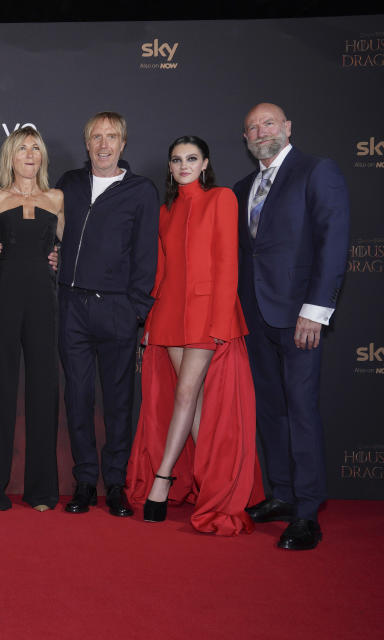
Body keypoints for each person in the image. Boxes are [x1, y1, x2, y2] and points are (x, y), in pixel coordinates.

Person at [125, 136, 264, 535]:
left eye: (191, 159)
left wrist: (221, 321)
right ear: (169, 167)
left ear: (205, 163)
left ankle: (162, 479)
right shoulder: (166, 211)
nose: (183, 165)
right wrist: (150, 319)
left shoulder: (221, 199)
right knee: (195, 404)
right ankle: (218, 485)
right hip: (169, 313)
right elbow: (161, 271)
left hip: (206, 315)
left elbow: (227, 262)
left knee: (186, 395)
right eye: (176, 160)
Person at [235, 103, 349, 550]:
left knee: (301, 410)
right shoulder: (244, 186)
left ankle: (307, 512)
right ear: (244, 139)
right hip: (255, 317)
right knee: (271, 410)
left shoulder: (317, 171)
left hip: (300, 317)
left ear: (287, 128)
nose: (260, 131)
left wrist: (316, 310)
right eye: (251, 127)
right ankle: (280, 493)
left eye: (268, 123)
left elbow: (334, 242)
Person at [56, 111, 159, 518]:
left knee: (118, 402)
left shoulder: (141, 191)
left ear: (123, 143)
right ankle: (85, 482)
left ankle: (115, 483)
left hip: (118, 308)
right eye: (96, 137)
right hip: (72, 308)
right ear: (86, 143)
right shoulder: (69, 184)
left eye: (111, 136)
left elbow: (147, 255)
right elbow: (50, 231)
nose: (103, 144)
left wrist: (136, 309)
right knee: (78, 398)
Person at [0, 126, 64, 512]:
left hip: (43, 301)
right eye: (22, 149)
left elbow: (59, 249)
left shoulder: (57, 198)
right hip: (4, 296)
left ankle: (42, 490)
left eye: (36, 148)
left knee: (45, 388)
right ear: (9, 157)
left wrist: (58, 258)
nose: (30, 155)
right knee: (0, 386)